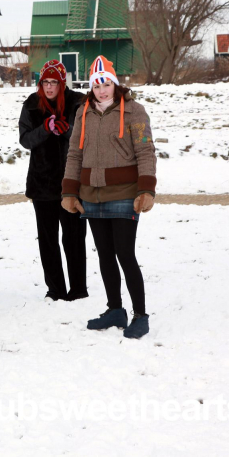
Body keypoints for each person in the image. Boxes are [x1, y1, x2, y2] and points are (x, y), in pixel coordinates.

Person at [61, 56, 157, 339]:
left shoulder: (135, 112)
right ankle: (115, 309)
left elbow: (145, 151)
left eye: (106, 84)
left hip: (126, 193)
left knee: (125, 254)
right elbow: (75, 153)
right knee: (104, 255)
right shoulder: (83, 112)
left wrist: (146, 189)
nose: (102, 90)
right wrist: (69, 190)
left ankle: (140, 314)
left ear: (115, 84)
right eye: (96, 85)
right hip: (92, 194)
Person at [19, 59, 87, 303]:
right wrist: (45, 128)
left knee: (74, 238)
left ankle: (78, 289)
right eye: (45, 82)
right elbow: (25, 139)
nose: (49, 88)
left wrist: (65, 128)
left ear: (62, 82)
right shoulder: (31, 105)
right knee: (48, 241)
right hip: (42, 183)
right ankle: (55, 289)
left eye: (54, 83)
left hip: (71, 183)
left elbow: (84, 134)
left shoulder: (77, 102)